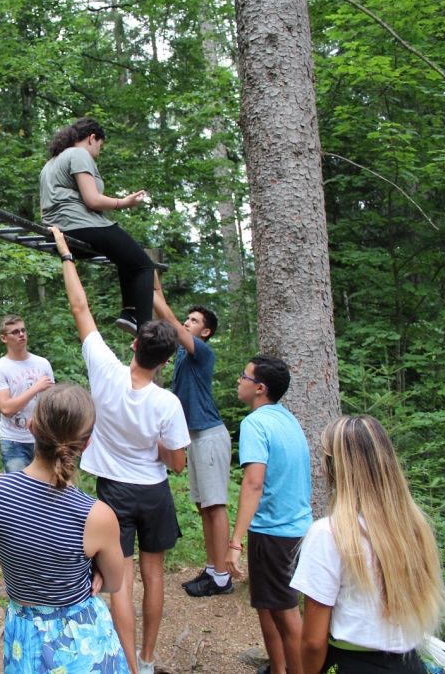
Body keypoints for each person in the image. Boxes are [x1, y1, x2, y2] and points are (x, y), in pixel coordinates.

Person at [51, 226, 190, 674]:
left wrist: (67, 256)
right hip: (153, 492)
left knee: (121, 583)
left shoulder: (106, 372)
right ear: (165, 361)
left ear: (134, 345)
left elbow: (81, 308)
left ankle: (129, 666)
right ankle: (148, 662)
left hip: (113, 493)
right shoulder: (167, 403)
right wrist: (161, 451)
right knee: (154, 578)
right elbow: (178, 463)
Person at [0, 383, 129, 673]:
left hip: (22, 637)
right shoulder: (96, 516)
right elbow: (114, 584)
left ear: (30, 427)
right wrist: (96, 568)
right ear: (86, 443)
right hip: (79, 643)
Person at [292, 415, 445, 674]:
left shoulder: (328, 534)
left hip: (352, 664)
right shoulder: (414, 527)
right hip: (410, 664)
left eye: (323, 457)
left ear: (335, 466)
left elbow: (312, 641)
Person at [226, 355, 312, 674]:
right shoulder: (286, 419)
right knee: (267, 606)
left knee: (287, 615)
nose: (239, 380)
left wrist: (235, 542)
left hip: (275, 533)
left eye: (244, 376)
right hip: (294, 528)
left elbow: (253, 483)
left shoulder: (255, 423)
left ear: (260, 388)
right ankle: (277, 669)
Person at [151, 276, 232, 597]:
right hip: (194, 437)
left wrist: (152, 287)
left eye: (194, 321)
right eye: (188, 319)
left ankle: (222, 576)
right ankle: (213, 568)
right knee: (203, 505)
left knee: (215, 505)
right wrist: (155, 289)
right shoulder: (184, 353)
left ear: (206, 332)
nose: (187, 322)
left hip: (210, 435)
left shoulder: (203, 353)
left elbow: (169, 319)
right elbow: (167, 323)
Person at [40, 116, 155, 336]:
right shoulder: (80, 154)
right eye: (99, 146)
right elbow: (92, 199)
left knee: (125, 255)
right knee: (145, 266)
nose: (98, 153)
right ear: (92, 138)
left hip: (58, 233)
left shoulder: (50, 164)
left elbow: (43, 210)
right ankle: (147, 334)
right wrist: (124, 202)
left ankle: (130, 312)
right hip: (81, 225)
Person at [0, 314, 55, 472]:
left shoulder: (42, 363)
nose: (21, 334)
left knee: (47, 489)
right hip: (14, 441)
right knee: (19, 492)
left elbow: (53, 401)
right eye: (15, 332)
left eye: (23, 330)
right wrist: (36, 388)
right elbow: (6, 408)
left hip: (43, 438)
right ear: (4, 338)